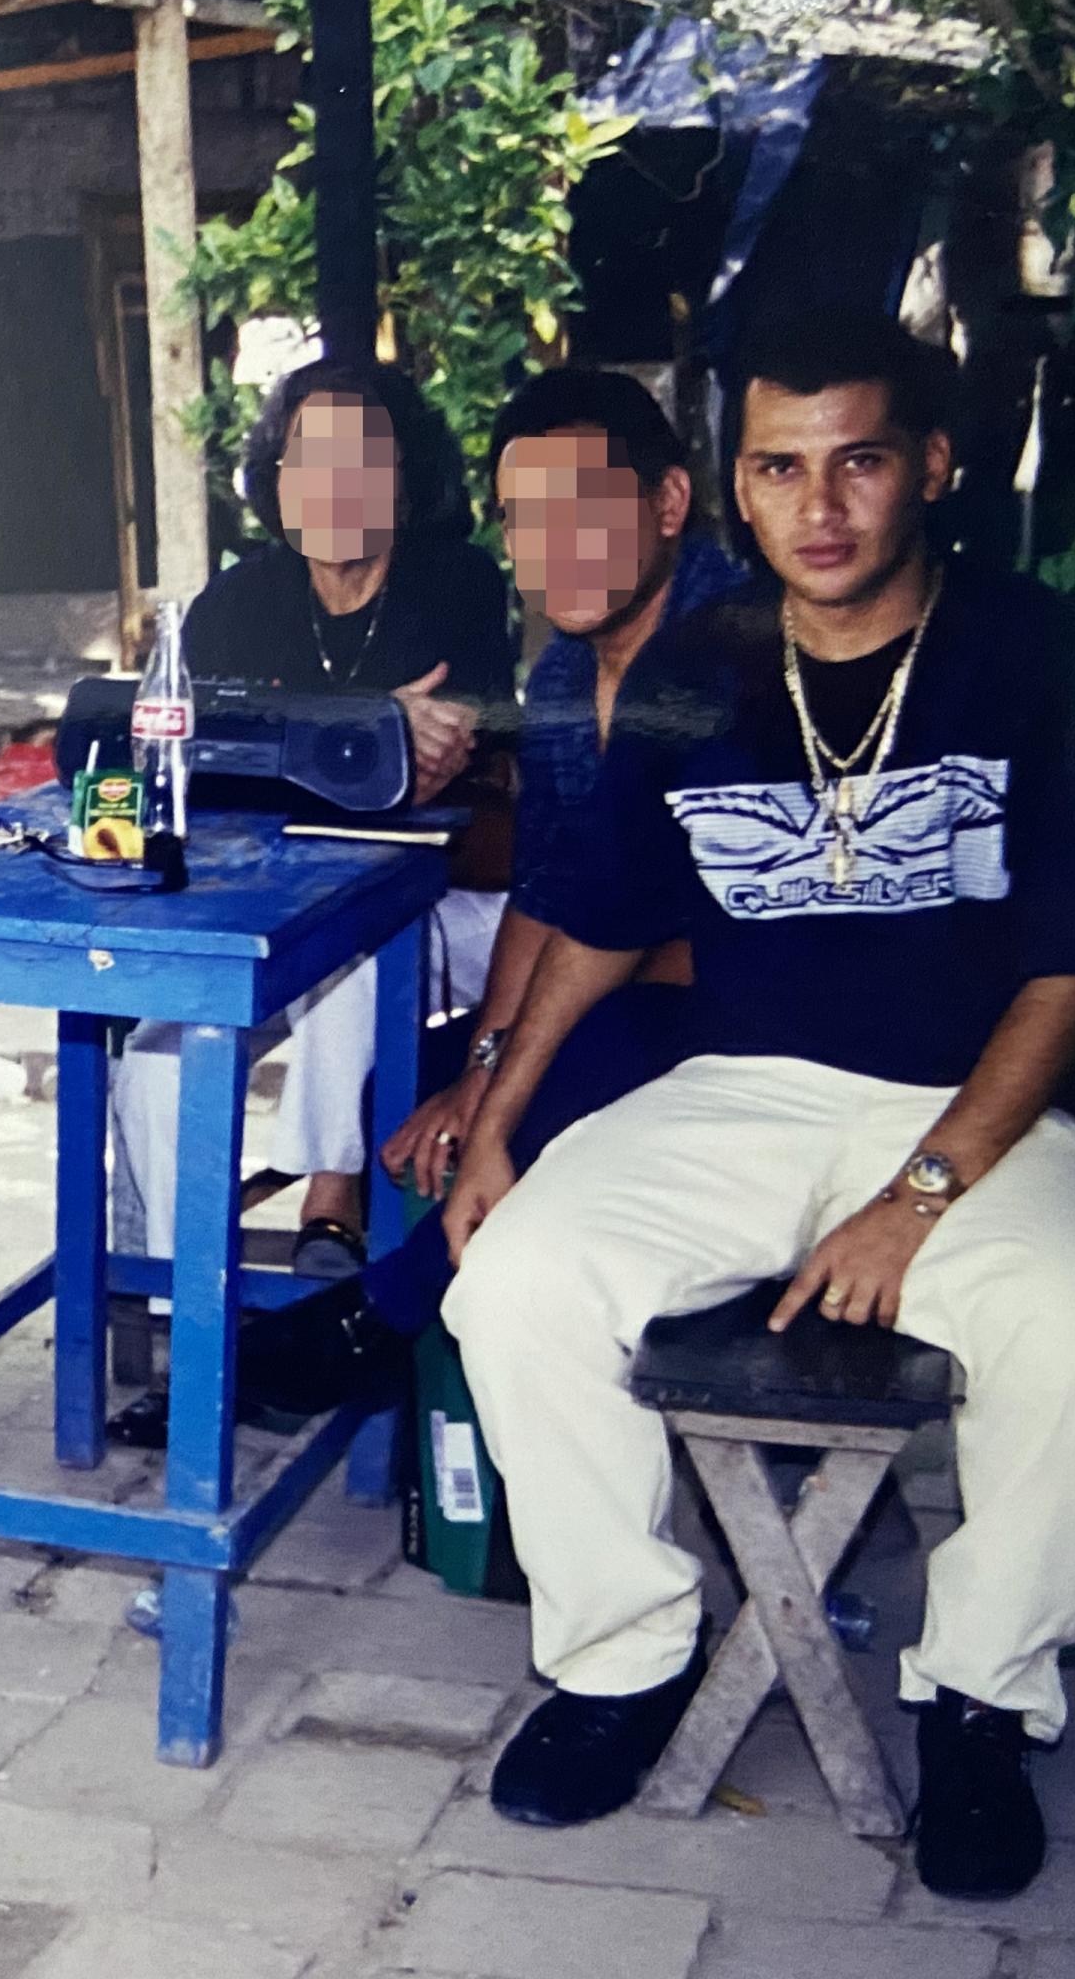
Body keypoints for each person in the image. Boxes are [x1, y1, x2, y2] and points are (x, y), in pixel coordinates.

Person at [437, 311, 1075, 1900]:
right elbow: (612, 919)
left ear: (932, 472)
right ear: (738, 488)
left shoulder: (1034, 655)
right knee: (520, 1276)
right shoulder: (700, 671)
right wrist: (498, 1113)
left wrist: (919, 1192)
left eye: (861, 462)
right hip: (744, 1089)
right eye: (782, 467)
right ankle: (624, 1658)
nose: (821, 506)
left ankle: (981, 1698)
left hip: (981, 1107)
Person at [171, 370, 749, 1432]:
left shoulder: (730, 646)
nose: (556, 546)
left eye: (587, 510)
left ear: (667, 505)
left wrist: (504, 1080)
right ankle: (415, 1353)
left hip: (752, 1018)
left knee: (546, 1058)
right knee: (406, 1083)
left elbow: (657, 934)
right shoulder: (576, 666)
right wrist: (484, 1061)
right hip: (598, 966)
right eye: (531, 519)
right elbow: (556, 877)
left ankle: (377, 1322)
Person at [106, 359, 512, 1338]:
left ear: (405, 480)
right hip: (267, 909)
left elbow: (447, 763)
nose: (335, 480)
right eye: (308, 457)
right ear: (277, 484)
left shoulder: (454, 586)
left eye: (363, 456)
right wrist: (367, 730)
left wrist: (298, 744)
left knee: (359, 955)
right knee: (157, 1060)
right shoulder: (237, 602)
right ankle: (189, 1308)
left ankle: (334, 1203)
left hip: (436, 905)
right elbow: (203, 760)